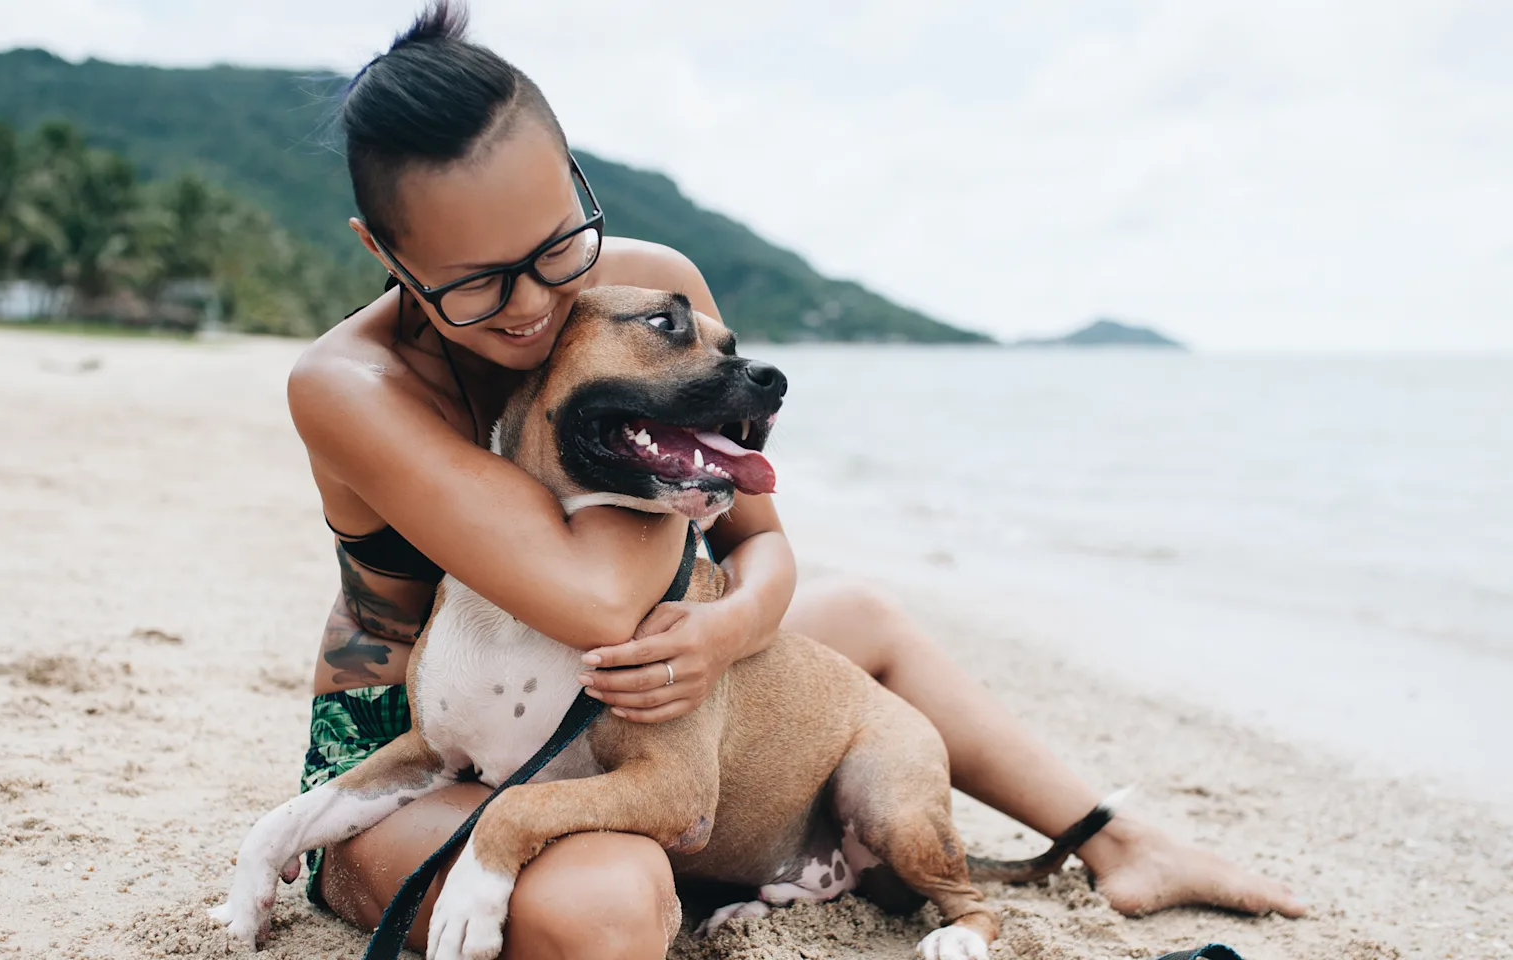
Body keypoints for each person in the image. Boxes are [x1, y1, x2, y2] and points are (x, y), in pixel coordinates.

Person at [286, 3, 1305, 957]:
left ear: (576, 183)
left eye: (558, 244)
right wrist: (665, 454)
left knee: (861, 615)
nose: (538, 304)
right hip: (432, 743)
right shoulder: (354, 385)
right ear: (385, 252)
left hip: (612, 703)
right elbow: (602, 599)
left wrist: (726, 629)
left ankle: (1115, 841)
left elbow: (759, 540)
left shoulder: (645, 291)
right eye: (476, 281)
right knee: (609, 899)